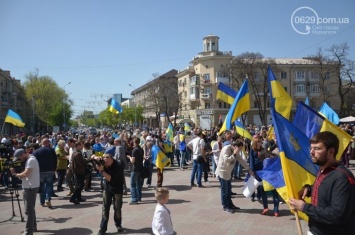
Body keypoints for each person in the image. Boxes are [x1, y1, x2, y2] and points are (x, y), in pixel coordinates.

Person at [289, 131, 355, 235]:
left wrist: (304, 207)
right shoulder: (323, 169)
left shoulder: (342, 177)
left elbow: (337, 215)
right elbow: (325, 188)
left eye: (317, 149)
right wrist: (309, 189)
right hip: (316, 230)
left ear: (331, 151)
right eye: (311, 148)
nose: (311, 152)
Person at [215, 140, 253, 213]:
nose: (240, 150)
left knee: (229, 191)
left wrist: (249, 169)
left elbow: (241, 160)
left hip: (228, 173)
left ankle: (230, 204)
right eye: (239, 148)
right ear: (235, 147)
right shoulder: (227, 149)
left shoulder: (236, 151)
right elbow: (227, 160)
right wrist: (234, 154)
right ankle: (225, 206)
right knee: (224, 191)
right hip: (222, 172)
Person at [93, 152, 125, 235]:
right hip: (107, 188)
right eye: (104, 158)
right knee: (105, 208)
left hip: (117, 189)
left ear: (112, 158)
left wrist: (102, 170)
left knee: (117, 208)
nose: (105, 160)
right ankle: (103, 228)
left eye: (107, 158)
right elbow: (92, 158)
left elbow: (110, 178)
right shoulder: (104, 163)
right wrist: (95, 158)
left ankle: (118, 225)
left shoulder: (117, 166)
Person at [10, 148, 40, 235]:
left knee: (28, 210)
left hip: (31, 187)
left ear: (23, 154)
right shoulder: (30, 159)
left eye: (19, 158)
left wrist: (14, 174)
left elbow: (26, 174)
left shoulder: (31, 160)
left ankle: (29, 231)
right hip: (29, 186)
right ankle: (32, 227)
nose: (19, 160)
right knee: (30, 208)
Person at [34, 138, 57, 208]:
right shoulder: (51, 150)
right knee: (49, 186)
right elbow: (55, 160)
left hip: (40, 171)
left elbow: (35, 161)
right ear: (48, 143)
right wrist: (54, 169)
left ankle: (42, 201)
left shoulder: (36, 151)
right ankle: (48, 199)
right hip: (50, 171)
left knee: (41, 186)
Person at [127, 137, 144, 204]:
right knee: (138, 184)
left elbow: (132, 161)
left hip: (135, 169)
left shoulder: (134, 150)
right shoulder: (141, 149)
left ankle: (134, 199)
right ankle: (139, 197)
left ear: (134, 142)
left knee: (132, 184)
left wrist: (129, 157)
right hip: (140, 168)